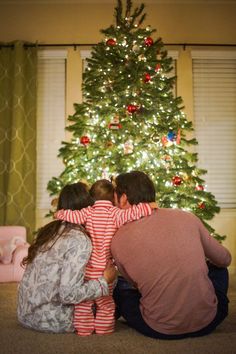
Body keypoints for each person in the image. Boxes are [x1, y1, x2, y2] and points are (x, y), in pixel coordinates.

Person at [111, 171, 232, 340]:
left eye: (114, 196)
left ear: (123, 198)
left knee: (119, 285)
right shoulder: (186, 217)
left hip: (159, 328)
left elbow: (134, 283)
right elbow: (225, 259)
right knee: (218, 268)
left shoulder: (117, 238)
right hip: (210, 320)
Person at [55, 179, 156, 336]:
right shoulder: (115, 214)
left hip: (87, 269)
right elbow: (134, 212)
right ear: (113, 197)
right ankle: (104, 329)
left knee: (83, 303)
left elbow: (70, 216)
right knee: (106, 302)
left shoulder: (87, 212)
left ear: (92, 197)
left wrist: (59, 213)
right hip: (106, 270)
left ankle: (84, 329)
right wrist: (149, 206)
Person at [17, 182, 117, 333]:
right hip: (53, 321)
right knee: (115, 289)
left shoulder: (52, 230)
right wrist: (104, 282)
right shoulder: (79, 239)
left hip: (26, 313)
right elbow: (69, 294)